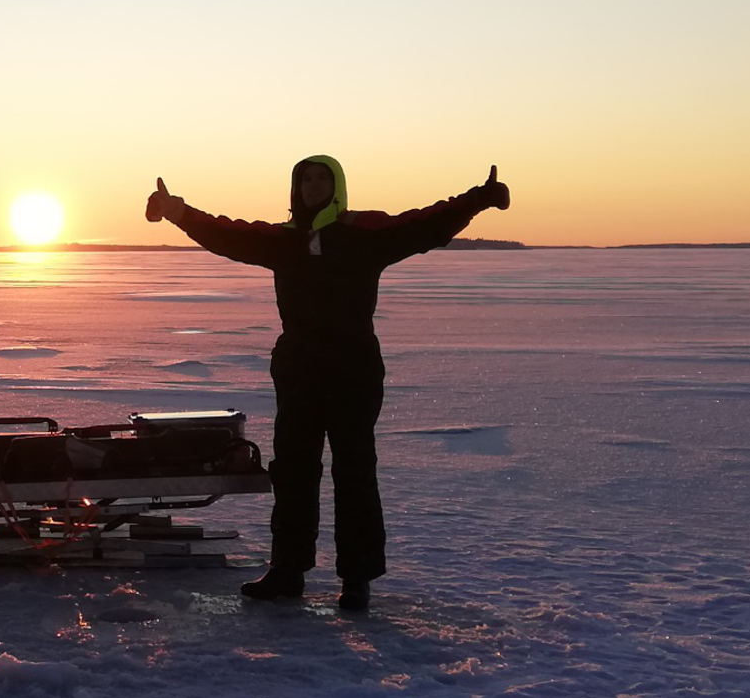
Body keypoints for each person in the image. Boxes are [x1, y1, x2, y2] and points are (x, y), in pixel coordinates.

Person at [146, 157, 509, 610]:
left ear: (337, 186)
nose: (313, 185)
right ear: (295, 188)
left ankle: (357, 579)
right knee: (294, 471)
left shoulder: (364, 234)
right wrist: (177, 210)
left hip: (353, 369)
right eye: (305, 178)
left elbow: (424, 225)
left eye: (322, 178)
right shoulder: (284, 240)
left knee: (354, 472)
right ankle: (287, 570)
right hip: (299, 369)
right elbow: (229, 234)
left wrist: (478, 199)